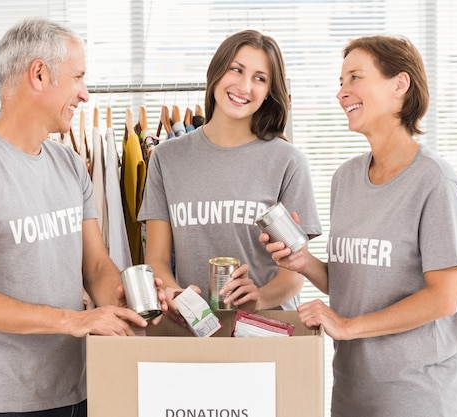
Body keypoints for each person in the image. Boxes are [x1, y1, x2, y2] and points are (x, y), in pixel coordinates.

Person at [0, 18, 165, 417]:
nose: (85, 94)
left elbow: (94, 265)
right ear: (39, 74)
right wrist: (75, 319)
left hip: (78, 386)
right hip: (3, 402)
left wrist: (134, 306)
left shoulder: (69, 163)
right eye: (78, 77)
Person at [262, 34, 457, 417]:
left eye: (355, 77)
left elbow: (443, 297)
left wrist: (346, 325)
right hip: (352, 392)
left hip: (417, 397)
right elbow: (353, 281)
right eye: (341, 82)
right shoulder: (345, 178)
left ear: (399, 85)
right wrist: (302, 261)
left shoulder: (436, 182)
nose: (342, 93)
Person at [138, 29, 322, 325]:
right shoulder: (166, 158)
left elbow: (294, 276)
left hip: (267, 333)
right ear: (216, 72)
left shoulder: (288, 162)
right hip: (194, 330)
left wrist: (259, 296)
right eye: (236, 69)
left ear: (269, 91)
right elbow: (157, 259)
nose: (244, 86)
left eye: (260, 78)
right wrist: (178, 297)